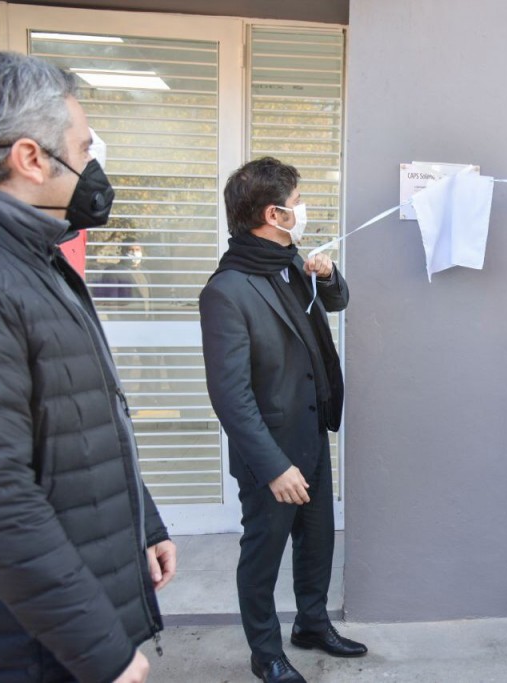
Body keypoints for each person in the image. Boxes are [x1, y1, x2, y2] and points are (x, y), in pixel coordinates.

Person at [0, 52, 176, 683]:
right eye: (83, 147)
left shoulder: (31, 259)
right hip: (22, 648)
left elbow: (82, 417)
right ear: (31, 158)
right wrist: (102, 651)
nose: (92, 165)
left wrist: (142, 522)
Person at [200, 157, 366, 683]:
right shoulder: (226, 291)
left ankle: (311, 625)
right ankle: (265, 652)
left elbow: (335, 302)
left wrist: (329, 274)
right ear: (273, 214)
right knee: (263, 553)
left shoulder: (290, 260)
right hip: (270, 452)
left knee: (317, 542)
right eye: (296, 203)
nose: (302, 209)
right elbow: (230, 396)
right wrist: (273, 467)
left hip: (310, 431)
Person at [96, 237, 151, 308]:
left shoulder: (145, 272)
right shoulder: (113, 272)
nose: (135, 253)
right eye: (130, 250)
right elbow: (111, 304)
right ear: (123, 252)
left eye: (137, 250)